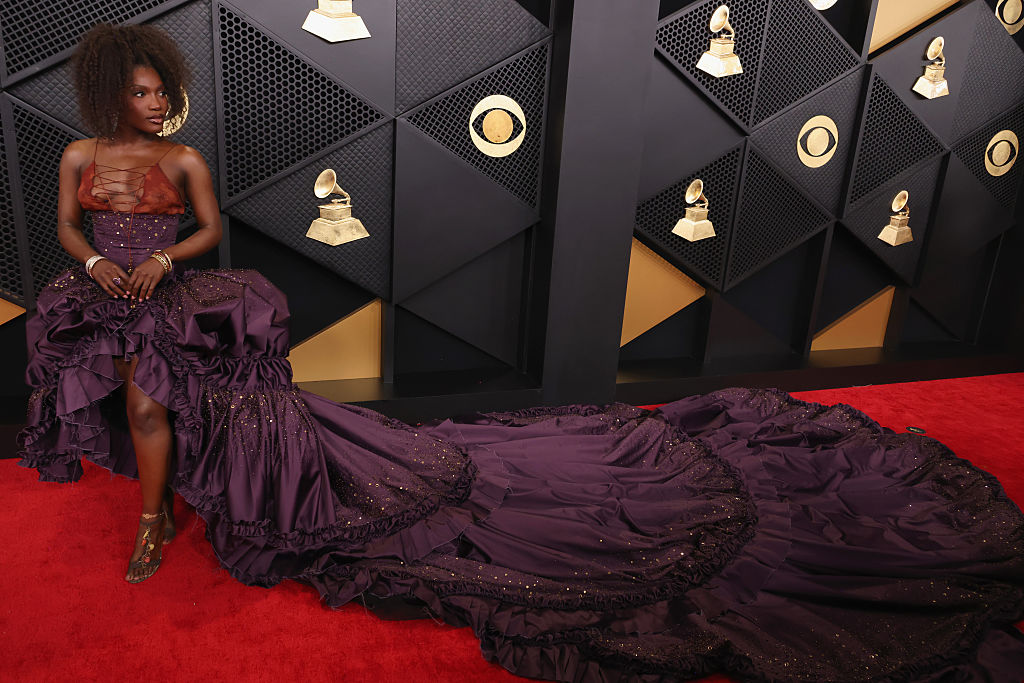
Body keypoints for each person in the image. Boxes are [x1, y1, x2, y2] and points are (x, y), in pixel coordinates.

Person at [18, 22, 1024, 682]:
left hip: (174, 291)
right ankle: (155, 513)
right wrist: (101, 269)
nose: (155, 106)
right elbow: (66, 229)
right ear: (114, 95)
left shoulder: (183, 160)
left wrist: (160, 263)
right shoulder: (76, 154)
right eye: (142, 94)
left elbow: (202, 230)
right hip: (105, 293)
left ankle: (165, 512)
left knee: (178, 405)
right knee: (147, 408)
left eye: (162, 93)